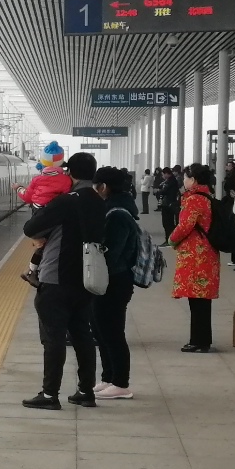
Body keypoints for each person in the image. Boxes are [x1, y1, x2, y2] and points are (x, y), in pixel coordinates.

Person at [22, 153, 108, 409]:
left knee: (54, 337)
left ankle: (50, 395)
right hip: (86, 278)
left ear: (70, 173)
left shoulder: (65, 202)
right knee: (82, 334)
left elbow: (30, 228)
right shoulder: (98, 200)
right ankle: (86, 391)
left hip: (57, 277)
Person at [93, 167, 140, 399]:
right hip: (112, 280)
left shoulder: (117, 215)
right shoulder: (115, 209)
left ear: (103, 187)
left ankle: (121, 382)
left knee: (112, 332)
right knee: (102, 330)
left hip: (115, 281)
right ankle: (108, 377)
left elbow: (111, 253)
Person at [169, 162, 221, 352]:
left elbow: (185, 226)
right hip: (206, 253)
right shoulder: (207, 196)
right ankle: (201, 340)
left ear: (194, 179)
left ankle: (199, 341)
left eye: (186, 177)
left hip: (196, 255)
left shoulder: (194, 200)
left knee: (197, 300)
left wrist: (172, 239)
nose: (183, 181)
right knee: (201, 300)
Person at [159, 165, 182, 235]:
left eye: (163, 174)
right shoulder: (169, 180)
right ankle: (168, 239)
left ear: (166, 173)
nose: (163, 176)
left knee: (168, 223)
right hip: (167, 203)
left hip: (169, 204)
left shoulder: (172, 181)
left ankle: (169, 239)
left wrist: (159, 191)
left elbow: (165, 190)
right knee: (167, 223)